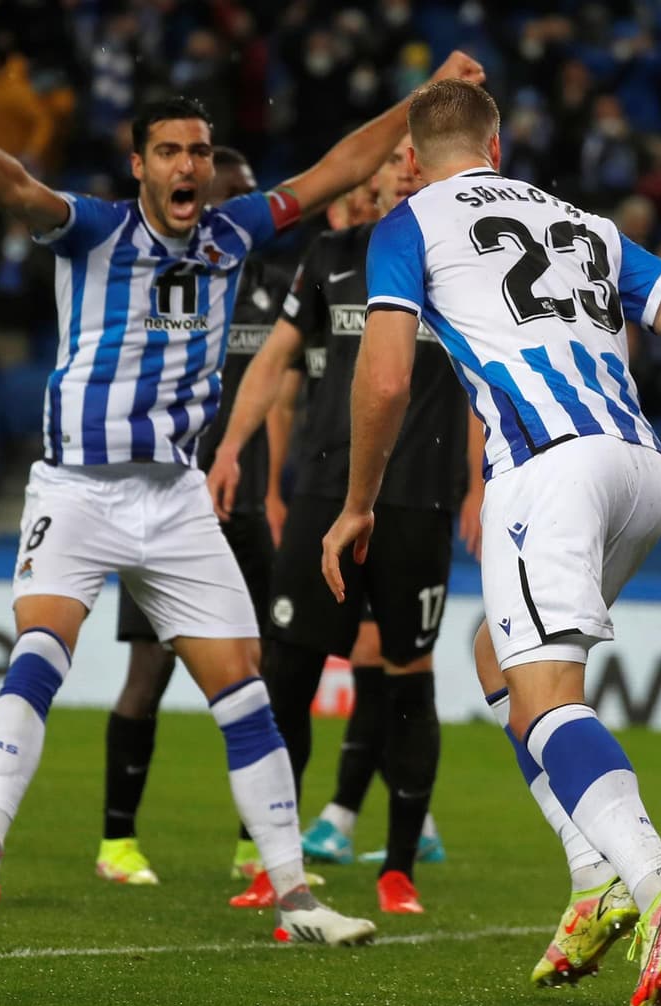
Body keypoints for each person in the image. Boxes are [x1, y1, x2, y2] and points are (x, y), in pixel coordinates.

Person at [0, 49, 485, 946]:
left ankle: (295, 897)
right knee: (42, 647)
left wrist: (421, 102)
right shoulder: (94, 229)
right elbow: (16, 188)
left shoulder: (230, 234)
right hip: (78, 488)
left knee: (244, 688)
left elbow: (334, 170)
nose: (189, 166)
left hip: (178, 499)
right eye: (171, 151)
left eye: (200, 151)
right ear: (137, 162)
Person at [322, 80, 661, 1006]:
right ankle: (591, 877)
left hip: (548, 468)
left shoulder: (406, 226)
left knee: (546, 694)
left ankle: (655, 880)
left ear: (412, 154)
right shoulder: (587, 222)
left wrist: (357, 501)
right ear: (495, 146)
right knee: (497, 654)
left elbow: (388, 376)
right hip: (642, 471)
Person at [207, 135, 483, 915]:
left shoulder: (461, 263)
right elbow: (276, 361)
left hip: (419, 498)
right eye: (392, 155)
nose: (402, 165)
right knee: (287, 680)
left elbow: (480, 382)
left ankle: (399, 868)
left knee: (405, 677)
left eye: (415, 156)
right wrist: (232, 445)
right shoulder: (331, 255)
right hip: (328, 491)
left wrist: (483, 484)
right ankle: (276, 861)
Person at [95, 145, 292, 887]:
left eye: (245, 194)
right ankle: (117, 840)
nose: (238, 207)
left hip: (243, 507)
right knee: (148, 671)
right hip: (171, 501)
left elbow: (282, 398)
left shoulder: (275, 288)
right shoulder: (181, 282)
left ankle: (254, 845)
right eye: (229, 192)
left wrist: (274, 486)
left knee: (256, 672)